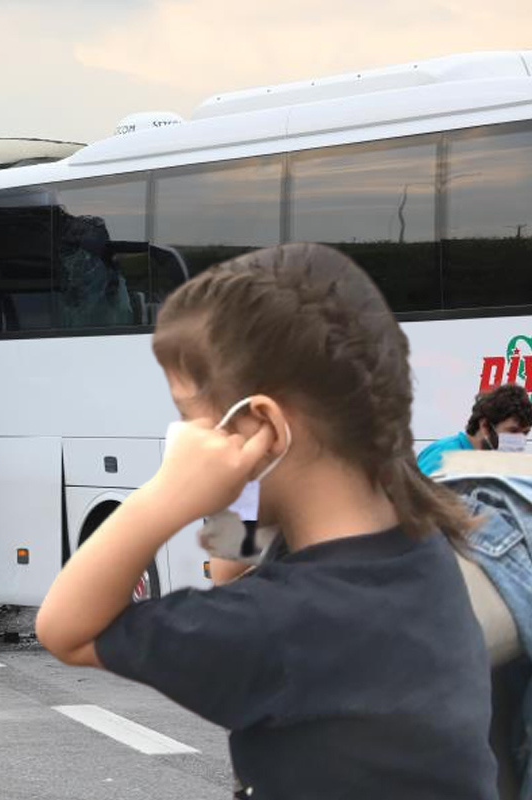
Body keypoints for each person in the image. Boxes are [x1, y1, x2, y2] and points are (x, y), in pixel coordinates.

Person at [36, 243, 496, 798]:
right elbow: (230, 571)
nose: (186, 438)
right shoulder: (416, 547)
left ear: (264, 428)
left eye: (189, 418)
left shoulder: (282, 623)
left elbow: (66, 630)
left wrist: (165, 494)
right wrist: (239, 483)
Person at [417, 383, 532, 476]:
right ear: (485, 425)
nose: (519, 440)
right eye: (512, 431)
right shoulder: (443, 457)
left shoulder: (495, 463)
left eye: (525, 433)